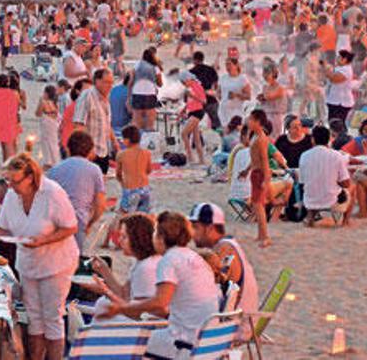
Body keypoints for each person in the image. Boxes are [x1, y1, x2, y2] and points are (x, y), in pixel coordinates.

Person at [0, 154, 79, 360]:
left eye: (15, 181)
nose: (10, 186)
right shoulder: (12, 196)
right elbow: (0, 227)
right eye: (8, 180)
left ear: (30, 177)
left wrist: (43, 240)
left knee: (52, 317)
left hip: (56, 262)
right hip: (28, 262)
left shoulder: (52, 193)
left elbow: (70, 227)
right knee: (34, 318)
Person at [98, 211, 221, 359]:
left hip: (183, 342)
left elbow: (160, 302)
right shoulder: (193, 257)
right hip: (205, 340)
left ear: (161, 238)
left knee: (111, 338)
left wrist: (121, 308)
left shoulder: (170, 260)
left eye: (155, 232)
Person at [189, 202, 258, 339]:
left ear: (209, 228)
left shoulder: (224, 250)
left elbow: (208, 289)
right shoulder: (229, 245)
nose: (191, 233)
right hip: (241, 321)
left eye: (195, 227)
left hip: (234, 328)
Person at [82, 214, 160, 320]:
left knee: (103, 305)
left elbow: (138, 314)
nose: (119, 241)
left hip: (144, 325)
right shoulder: (140, 262)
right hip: (138, 318)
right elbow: (123, 293)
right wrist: (105, 271)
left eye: (124, 237)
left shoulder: (146, 268)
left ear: (137, 239)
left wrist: (105, 291)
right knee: (103, 303)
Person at [46, 131, 106, 251]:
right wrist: (90, 223)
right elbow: (100, 206)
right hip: (78, 220)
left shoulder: (54, 170)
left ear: (68, 149)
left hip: (55, 221)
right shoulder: (94, 170)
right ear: (90, 151)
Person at [299, 125, 353, 225]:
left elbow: (302, 182)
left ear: (313, 140)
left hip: (310, 201)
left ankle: (310, 217)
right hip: (332, 201)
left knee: (314, 188)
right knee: (352, 187)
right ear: (329, 140)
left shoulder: (304, 156)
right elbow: (346, 183)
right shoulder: (336, 156)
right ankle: (345, 221)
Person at [74, 68, 116, 174]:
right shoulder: (87, 96)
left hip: (103, 151)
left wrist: (115, 143)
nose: (110, 86)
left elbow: (107, 124)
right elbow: (78, 125)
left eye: (111, 83)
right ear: (97, 81)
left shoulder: (106, 99)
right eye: (106, 82)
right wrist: (88, 148)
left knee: (101, 186)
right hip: (90, 152)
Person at [246, 110, 273, 247]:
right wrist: (246, 170)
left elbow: (264, 160)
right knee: (257, 206)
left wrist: (266, 179)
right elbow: (254, 157)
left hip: (260, 174)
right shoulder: (254, 136)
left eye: (251, 119)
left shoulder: (262, 138)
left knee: (259, 205)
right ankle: (260, 234)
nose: (248, 121)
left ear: (258, 122)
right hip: (255, 172)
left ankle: (266, 236)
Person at [0, 74, 21, 173]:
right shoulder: (13, 94)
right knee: (8, 145)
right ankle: (9, 167)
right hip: (8, 121)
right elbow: (15, 108)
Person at [116, 125, 153, 214]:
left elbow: (118, 174)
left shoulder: (121, 154)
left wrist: (122, 183)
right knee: (143, 215)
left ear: (127, 140)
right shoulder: (147, 153)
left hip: (130, 188)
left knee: (124, 214)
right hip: (145, 188)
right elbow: (149, 170)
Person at [129, 48, 163, 131]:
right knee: (149, 122)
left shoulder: (137, 65)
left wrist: (129, 96)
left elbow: (131, 81)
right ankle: (148, 141)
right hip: (150, 93)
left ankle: (136, 141)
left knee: (136, 121)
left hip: (137, 92)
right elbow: (160, 84)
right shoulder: (155, 67)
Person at [179, 70, 207, 164]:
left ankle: (190, 157)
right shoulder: (190, 87)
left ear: (188, 79)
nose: (183, 84)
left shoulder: (197, 86)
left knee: (184, 134)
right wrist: (183, 110)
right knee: (196, 138)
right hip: (192, 112)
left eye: (183, 82)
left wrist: (192, 95)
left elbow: (203, 101)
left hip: (197, 112)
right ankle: (201, 160)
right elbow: (190, 101)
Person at [323, 50, 355, 124]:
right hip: (334, 100)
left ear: (345, 59)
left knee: (337, 123)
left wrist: (326, 69)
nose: (336, 59)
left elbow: (335, 79)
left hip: (341, 103)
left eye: (339, 57)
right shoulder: (340, 67)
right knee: (332, 122)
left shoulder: (346, 69)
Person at [190, 51, 220, 129]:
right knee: (216, 123)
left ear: (194, 60)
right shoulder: (210, 69)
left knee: (195, 125)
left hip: (197, 101)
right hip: (211, 99)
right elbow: (216, 85)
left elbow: (190, 88)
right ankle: (217, 138)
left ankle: (197, 140)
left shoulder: (191, 72)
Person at [257, 63, 288, 138]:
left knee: (275, 137)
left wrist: (263, 97)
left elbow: (270, 97)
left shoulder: (280, 88)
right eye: (264, 73)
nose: (265, 76)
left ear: (274, 74)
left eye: (268, 73)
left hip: (276, 116)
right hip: (266, 116)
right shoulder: (265, 87)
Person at [219, 58, 251, 128]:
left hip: (236, 111)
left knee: (236, 132)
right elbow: (219, 93)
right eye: (226, 65)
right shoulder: (223, 78)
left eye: (229, 64)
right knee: (225, 133)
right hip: (223, 111)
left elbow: (248, 96)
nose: (227, 67)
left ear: (236, 65)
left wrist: (236, 95)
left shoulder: (242, 79)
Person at [35, 84, 61, 168]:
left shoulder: (43, 102)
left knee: (46, 142)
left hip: (46, 123)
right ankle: (55, 161)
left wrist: (40, 101)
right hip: (54, 123)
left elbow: (37, 113)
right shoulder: (55, 103)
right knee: (53, 142)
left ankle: (48, 161)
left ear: (46, 93)